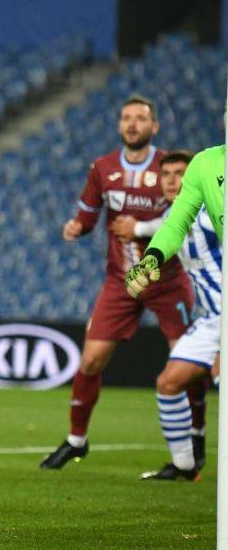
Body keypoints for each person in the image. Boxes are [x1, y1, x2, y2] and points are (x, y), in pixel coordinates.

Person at [41, 95, 195, 469]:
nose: (132, 124)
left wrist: (140, 227)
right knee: (91, 359)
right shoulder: (103, 168)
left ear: (154, 126)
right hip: (121, 280)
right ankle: (76, 440)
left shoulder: (169, 168)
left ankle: (196, 444)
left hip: (167, 279)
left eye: (140, 118)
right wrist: (76, 227)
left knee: (188, 363)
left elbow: (184, 214)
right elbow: (88, 215)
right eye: (126, 118)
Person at [124, 145, 225, 480]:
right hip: (211, 318)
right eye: (166, 174)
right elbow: (166, 227)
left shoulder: (211, 209)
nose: (171, 180)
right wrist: (147, 261)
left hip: (225, 312)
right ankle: (184, 465)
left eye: (179, 174)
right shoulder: (177, 215)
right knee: (169, 383)